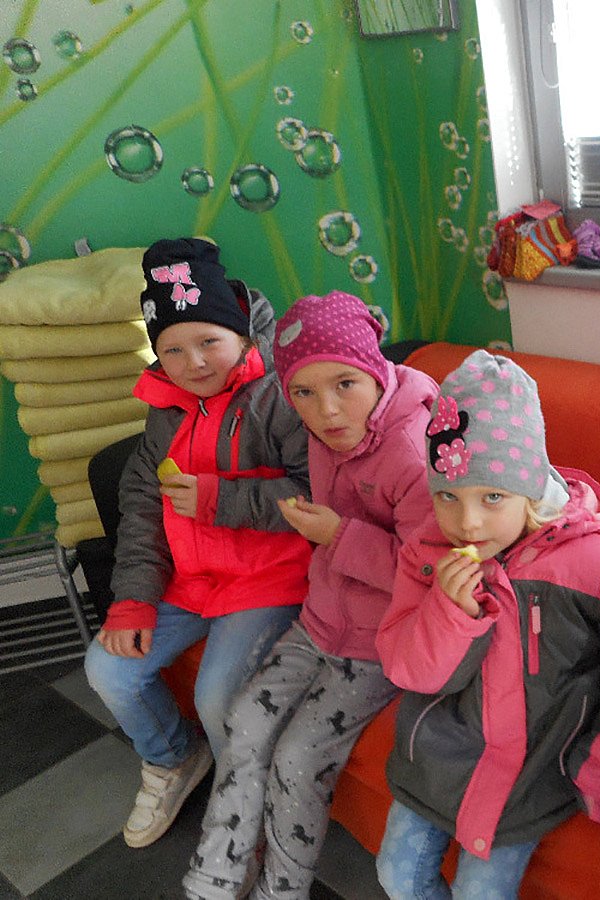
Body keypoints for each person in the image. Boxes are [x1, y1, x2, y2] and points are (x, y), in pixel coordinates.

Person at [373, 349, 600, 899]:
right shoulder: (426, 552)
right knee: (396, 875)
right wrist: (449, 613)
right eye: (448, 496)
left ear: (531, 488)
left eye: (493, 497)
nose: (467, 522)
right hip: (436, 763)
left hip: (532, 775)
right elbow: (407, 669)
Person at [181, 291, 440, 899]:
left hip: (378, 644)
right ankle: (218, 875)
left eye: (345, 384)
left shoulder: (413, 451)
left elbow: (429, 574)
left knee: (298, 759)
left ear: (376, 372)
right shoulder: (324, 433)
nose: (326, 410)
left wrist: (339, 537)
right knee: (243, 720)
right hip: (317, 622)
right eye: (303, 392)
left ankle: (282, 889)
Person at [84, 237, 312, 849]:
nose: (195, 363)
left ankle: (249, 807)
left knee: (218, 696)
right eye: (173, 350)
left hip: (267, 579)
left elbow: (318, 493)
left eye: (209, 341)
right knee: (107, 670)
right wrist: (133, 597)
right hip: (190, 581)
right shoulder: (164, 407)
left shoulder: (284, 396)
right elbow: (142, 504)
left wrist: (221, 500)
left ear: (241, 333)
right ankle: (174, 757)